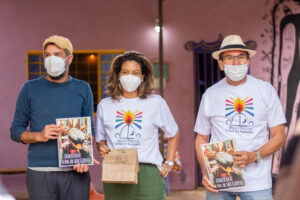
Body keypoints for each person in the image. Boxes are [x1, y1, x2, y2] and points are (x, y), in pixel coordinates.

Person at [194, 35, 286, 200]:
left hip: (257, 183)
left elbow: (279, 136)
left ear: (249, 61)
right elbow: (201, 138)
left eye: (241, 57)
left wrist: (254, 155)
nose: (236, 63)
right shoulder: (210, 95)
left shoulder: (266, 91)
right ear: (221, 64)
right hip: (220, 180)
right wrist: (205, 170)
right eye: (230, 58)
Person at [10, 35, 99, 200]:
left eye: (57, 54)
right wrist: (38, 135)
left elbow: (89, 129)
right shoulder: (29, 89)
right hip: (39, 173)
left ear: (69, 59)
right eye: (47, 55)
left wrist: (84, 156)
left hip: (75, 173)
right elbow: (15, 130)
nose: (51, 59)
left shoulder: (82, 88)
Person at [96, 51, 180, 200]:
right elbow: (100, 140)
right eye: (125, 72)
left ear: (142, 77)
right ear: (118, 75)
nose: (130, 76)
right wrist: (101, 146)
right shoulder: (105, 105)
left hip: (148, 171)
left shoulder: (156, 102)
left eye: (135, 73)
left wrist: (169, 161)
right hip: (115, 170)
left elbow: (173, 133)